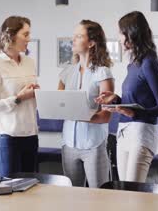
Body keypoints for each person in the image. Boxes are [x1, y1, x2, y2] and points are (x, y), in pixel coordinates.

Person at [95, 11, 158, 182]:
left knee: (134, 193)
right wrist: (116, 100)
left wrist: (134, 113)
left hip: (142, 135)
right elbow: (135, 103)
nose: (119, 37)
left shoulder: (149, 63)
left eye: (121, 33)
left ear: (132, 34)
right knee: (125, 191)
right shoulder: (133, 65)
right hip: (124, 133)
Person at [0, 16, 40, 178]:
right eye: (25, 34)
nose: (29, 39)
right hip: (7, 137)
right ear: (11, 36)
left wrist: (36, 93)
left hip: (30, 134)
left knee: (31, 191)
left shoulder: (30, 62)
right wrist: (18, 98)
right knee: (10, 191)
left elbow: (30, 96)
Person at [58, 20, 114, 188]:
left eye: (79, 36)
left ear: (91, 43)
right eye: (73, 36)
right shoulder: (66, 73)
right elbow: (59, 105)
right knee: (73, 200)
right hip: (68, 144)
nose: (73, 40)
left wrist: (79, 115)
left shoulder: (103, 73)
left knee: (100, 197)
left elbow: (106, 115)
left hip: (93, 145)